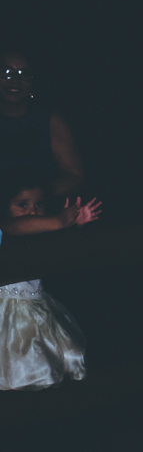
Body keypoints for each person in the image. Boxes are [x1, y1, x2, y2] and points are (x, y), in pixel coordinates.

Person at [0, 170, 100, 390]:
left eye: (39, 205)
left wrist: (76, 224)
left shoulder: (43, 234)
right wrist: (58, 221)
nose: (33, 212)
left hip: (39, 308)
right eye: (22, 205)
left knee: (62, 360)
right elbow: (16, 226)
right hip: (8, 314)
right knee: (22, 367)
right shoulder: (7, 229)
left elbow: (63, 245)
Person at [0, 48, 86, 197]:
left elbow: (76, 176)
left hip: (42, 213)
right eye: (6, 72)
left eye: (24, 73)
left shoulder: (50, 119)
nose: (15, 79)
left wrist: (36, 194)